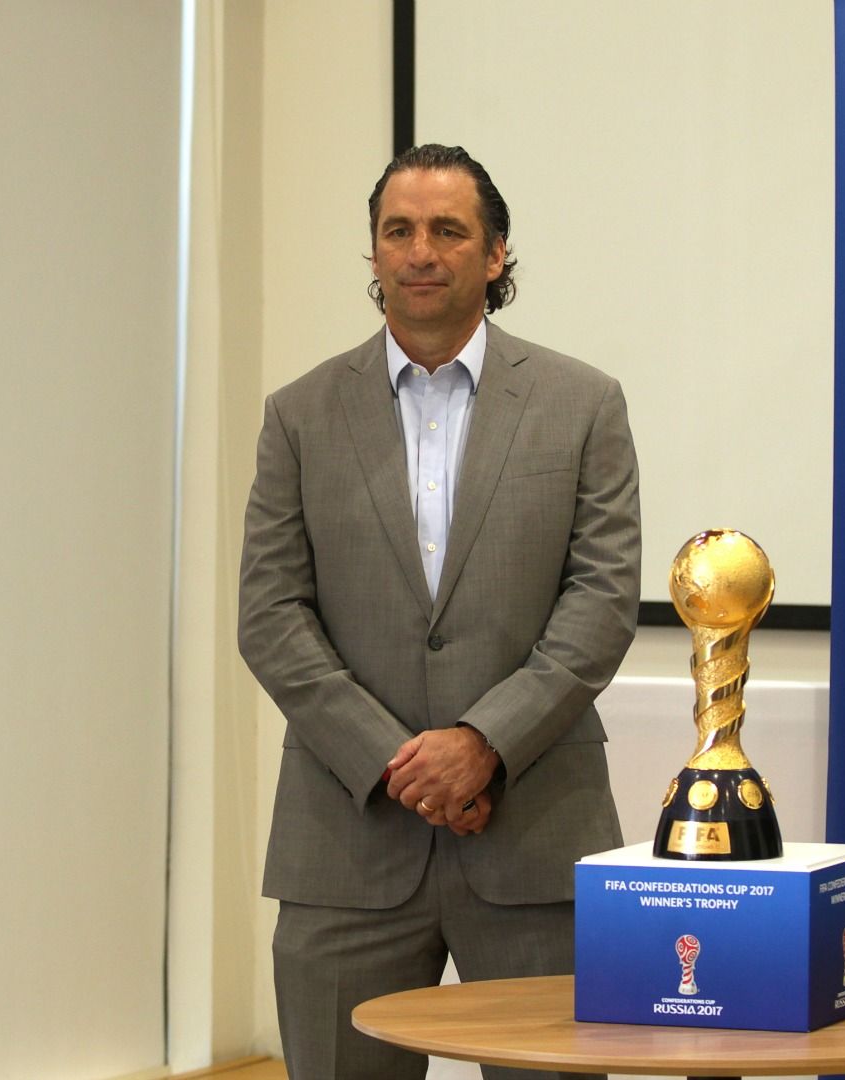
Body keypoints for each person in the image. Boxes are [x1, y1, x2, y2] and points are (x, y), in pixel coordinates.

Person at [238, 144, 640, 1080]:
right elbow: (270, 614)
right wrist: (399, 763)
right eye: (398, 230)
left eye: (448, 230)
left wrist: (483, 740)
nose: (422, 250)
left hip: (536, 836)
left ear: (496, 254)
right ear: (373, 254)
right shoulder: (298, 415)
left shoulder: (582, 405)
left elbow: (601, 599)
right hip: (347, 841)